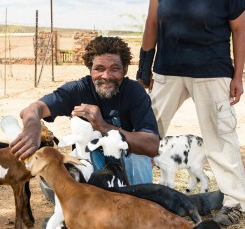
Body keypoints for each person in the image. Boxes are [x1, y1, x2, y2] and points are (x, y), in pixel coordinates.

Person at [136, 0, 245, 225]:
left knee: (218, 138)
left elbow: (239, 32)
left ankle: (236, 204)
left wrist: (237, 76)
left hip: (211, 72)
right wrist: (144, 65)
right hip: (167, 70)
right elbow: (151, 23)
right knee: (144, 132)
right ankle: (129, 193)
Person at [10, 35, 159, 185]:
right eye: (99, 69)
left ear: (125, 69)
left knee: (139, 156)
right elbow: (33, 109)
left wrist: (103, 126)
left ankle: (142, 202)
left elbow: (151, 145)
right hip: (91, 161)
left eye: (115, 69)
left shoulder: (134, 91)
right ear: (89, 68)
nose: (106, 76)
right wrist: (32, 126)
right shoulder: (78, 90)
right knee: (70, 166)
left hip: (124, 160)